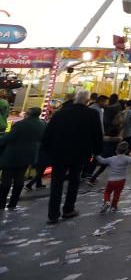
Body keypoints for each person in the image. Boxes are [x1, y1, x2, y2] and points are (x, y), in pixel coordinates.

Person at [41, 90, 103, 224]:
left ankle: (53, 214)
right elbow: (97, 135)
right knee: (74, 182)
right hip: (79, 154)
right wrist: (97, 152)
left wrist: (48, 151)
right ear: (87, 101)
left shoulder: (60, 114)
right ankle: (68, 209)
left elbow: (47, 135)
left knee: (56, 184)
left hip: (59, 154)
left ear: (75, 99)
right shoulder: (92, 114)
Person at [0, 107, 45, 211]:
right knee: (19, 179)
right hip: (29, 156)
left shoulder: (21, 124)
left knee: (6, 180)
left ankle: (1, 203)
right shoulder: (42, 125)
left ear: (28, 114)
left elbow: (9, 138)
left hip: (13, 155)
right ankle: (13, 203)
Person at [96, 141, 131, 213]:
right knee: (117, 194)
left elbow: (102, 160)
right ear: (126, 151)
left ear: (116, 150)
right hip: (121, 180)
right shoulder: (127, 158)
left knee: (107, 192)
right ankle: (114, 206)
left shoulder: (112, 158)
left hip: (111, 180)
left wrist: (96, 154)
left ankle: (107, 202)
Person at [88, 97, 125, 185]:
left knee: (102, 161)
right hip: (108, 144)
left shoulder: (108, 120)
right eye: (118, 115)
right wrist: (116, 138)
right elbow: (104, 137)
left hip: (109, 144)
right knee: (104, 161)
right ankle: (91, 178)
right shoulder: (108, 124)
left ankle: (91, 176)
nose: (120, 118)